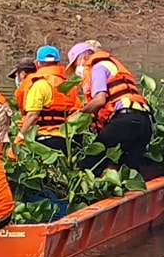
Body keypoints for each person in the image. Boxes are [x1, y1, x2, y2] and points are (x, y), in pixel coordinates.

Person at [68, 41, 155, 174]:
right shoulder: (111, 64)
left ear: (84, 58)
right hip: (145, 121)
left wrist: (79, 114)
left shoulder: (97, 67)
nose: (76, 71)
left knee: (90, 163)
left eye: (75, 66)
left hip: (126, 121)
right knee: (129, 169)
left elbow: (99, 100)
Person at [17, 45, 81, 151]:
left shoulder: (39, 85)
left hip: (44, 140)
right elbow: (78, 112)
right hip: (68, 140)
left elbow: (32, 116)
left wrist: (20, 137)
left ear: (38, 63)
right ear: (58, 63)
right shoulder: (69, 86)